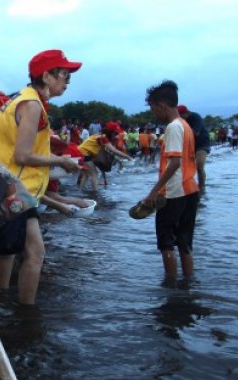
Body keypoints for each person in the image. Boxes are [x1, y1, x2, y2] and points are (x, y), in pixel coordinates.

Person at [0, 49, 81, 305]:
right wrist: (61, 160)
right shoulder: (32, 105)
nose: (67, 82)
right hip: (17, 188)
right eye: (64, 75)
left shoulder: (17, 99)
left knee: (10, 251)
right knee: (35, 254)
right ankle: (27, 315)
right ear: (46, 76)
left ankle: (0, 298)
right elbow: (23, 155)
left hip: (3, 185)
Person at [142, 80, 200, 281]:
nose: (153, 113)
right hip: (191, 189)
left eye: (152, 108)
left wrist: (154, 191)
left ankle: (170, 288)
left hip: (175, 192)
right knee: (184, 242)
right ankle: (188, 285)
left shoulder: (173, 127)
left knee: (166, 243)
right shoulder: (185, 125)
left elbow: (174, 163)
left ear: (161, 105)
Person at [76, 121, 132, 191]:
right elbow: (114, 150)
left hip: (79, 153)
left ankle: (81, 191)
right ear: (110, 132)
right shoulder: (103, 138)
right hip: (84, 154)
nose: (116, 134)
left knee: (86, 174)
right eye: (115, 133)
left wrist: (118, 160)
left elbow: (107, 151)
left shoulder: (99, 135)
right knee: (94, 174)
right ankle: (95, 193)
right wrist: (128, 157)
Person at [177, 104, 211, 191]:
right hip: (191, 145)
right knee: (185, 167)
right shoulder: (181, 121)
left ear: (187, 113)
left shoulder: (195, 117)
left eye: (181, 116)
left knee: (199, 166)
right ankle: (188, 187)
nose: (181, 118)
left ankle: (202, 187)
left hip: (202, 144)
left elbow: (196, 133)